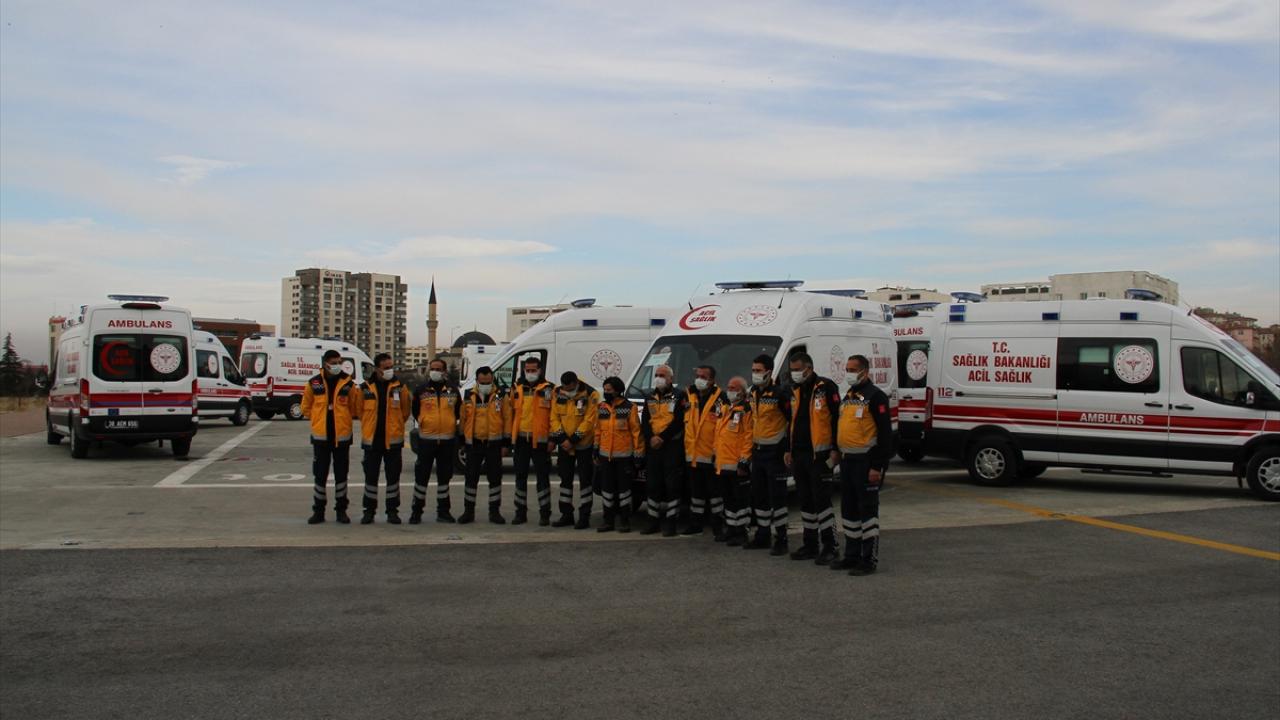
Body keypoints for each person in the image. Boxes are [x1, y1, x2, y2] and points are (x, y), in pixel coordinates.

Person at [832, 355, 894, 575]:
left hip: (866, 462)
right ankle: (852, 555)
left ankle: (868, 560)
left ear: (864, 372)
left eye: (852, 369)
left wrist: (877, 466)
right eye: (846, 368)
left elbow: (885, 435)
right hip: (848, 461)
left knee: (867, 511)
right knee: (849, 510)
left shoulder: (875, 397)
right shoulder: (848, 396)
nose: (848, 372)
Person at [785, 352, 841, 565]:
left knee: (822, 501)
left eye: (798, 369)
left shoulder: (826, 387)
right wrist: (788, 449)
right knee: (805, 501)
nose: (795, 373)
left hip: (820, 455)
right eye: (792, 369)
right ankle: (810, 544)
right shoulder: (795, 390)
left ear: (809, 367)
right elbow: (791, 421)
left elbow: (837, 418)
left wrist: (836, 448)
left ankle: (830, 546)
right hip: (799, 454)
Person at [302, 350, 360, 524]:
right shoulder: (314, 383)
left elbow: (355, 407)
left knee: (341, 476)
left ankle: (341, 510)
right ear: (325, 363)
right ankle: (318, 511)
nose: (337, 366)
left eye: (339, 362)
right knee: (320, 475)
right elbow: (306, 408)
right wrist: (319, 420)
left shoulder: (348, 383)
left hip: (342, 438)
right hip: (321, 438)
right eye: (334, 362)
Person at [355, 353, 412, 524]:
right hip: (372, 442)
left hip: (393, 442)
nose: (390, 370)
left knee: (393, 479)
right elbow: (359, 411)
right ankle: (369, 511)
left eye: (391, 367)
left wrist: (395, 427)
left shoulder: (400, 387)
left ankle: (392, 511)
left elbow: (405, 411)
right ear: (377, 369)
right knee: (370, 479)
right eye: (386, 367)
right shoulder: (365, 388)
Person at [746, 354, 791, 554]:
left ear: (769, 372)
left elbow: (792, 421)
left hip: (775, 452)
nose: (755, 374)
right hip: (758, 451)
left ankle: (781, 538)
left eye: (758, 370)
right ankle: (762, 535)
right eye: (753, 370)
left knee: (778, 497)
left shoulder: (781, 393)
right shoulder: (753, 392)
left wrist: (787, 448)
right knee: (760, 496)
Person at [411, 358, 461, 524]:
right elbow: (415, 410)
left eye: (438, 369)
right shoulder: (421, 390)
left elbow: (459, 411)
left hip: (447, 441)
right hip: (426, 441)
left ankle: (444, 511)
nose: (435, 371)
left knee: (444, 478)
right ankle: (416, 511)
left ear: (444, 371)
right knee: (422, 478)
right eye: (432, 368)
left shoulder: (453, 390)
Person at [459, 365, 511, 524]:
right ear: (477, 381)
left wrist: (506, 443)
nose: (486, 384)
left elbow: (507, 418)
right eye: (483, 382)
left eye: (489, 381)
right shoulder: (468, 395)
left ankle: (494, 511)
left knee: (495, 479)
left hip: (494, 444)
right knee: (471, 478)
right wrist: (462, 440)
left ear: (492, 380)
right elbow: (463, 419)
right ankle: (468, 511)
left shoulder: (501, 396)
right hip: (474, 444)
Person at [549, 371, 600, 529]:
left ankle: (584, 516)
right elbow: (554, 417)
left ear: (575, 382)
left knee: (585, 482)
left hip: (584, 444)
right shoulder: (557, 392)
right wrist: (562, 439)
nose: (566, 390)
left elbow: (590, 420)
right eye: (564, 387)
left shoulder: (591, 394)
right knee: (565, 480)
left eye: (569, 388)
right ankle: (566, 514)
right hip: (565, 445)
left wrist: (573, 440)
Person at [639, 364, 686, 536]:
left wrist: (662, 437)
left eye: (662, 375)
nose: (658, 377)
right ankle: (652, 521)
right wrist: (651, 436)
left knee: (672, 485)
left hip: (671, 446)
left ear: (670, 379)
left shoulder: (680, 395)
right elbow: (645, 420)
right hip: (653, 447)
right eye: (657, 375)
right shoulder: (650, 396)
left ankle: (671, 522)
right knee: (653, 484)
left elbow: (679, 421)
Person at [594, 376, 644, 532]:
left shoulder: (630, 407)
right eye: (605, 389)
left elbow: (637, 433)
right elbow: (597, 430)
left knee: (624, 491)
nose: (606, 392)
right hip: (605, 457)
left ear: (617, 390)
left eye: (609, 390)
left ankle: (624, 521)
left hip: (624, 458)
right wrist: (595, 449)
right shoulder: (601, 407)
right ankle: (608, 521)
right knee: (607, 490)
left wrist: (638, 455)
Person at [510, 356, 555, 526]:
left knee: (542, 478)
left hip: (541, 442)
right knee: (520, 477)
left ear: (540, 370)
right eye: (527, 370)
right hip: (521, 440)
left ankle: (545, 513)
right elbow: (511, 414)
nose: (530, 373)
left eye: (533, 370)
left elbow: (554, 416)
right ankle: (520, 513)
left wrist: (552, 439)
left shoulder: (549, 389)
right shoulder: (516, 388)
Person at [682, 365, 725, 538]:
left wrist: (717, 452)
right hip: (692, 454)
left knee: (715, 495)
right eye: (698, 375)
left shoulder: (721, 398)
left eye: (704, 376)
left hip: (712, 455)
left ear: (712, 380)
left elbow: (722, 429)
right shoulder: (688, 395)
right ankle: (695, 524)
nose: (699, 379)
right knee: (696, 494)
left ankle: (718, 526)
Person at [714, 376, 754, 546]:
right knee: (728, 500)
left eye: (733, 388)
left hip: (738, 464)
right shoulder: (725, 409)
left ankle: (741, 531)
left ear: (743, 391)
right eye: (728, 387)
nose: (729, 390)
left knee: (741, 501)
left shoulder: (746, 410)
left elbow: (748, 437)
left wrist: (744, 461)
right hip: (723, 463)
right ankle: (731, 529)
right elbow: (719, 435)